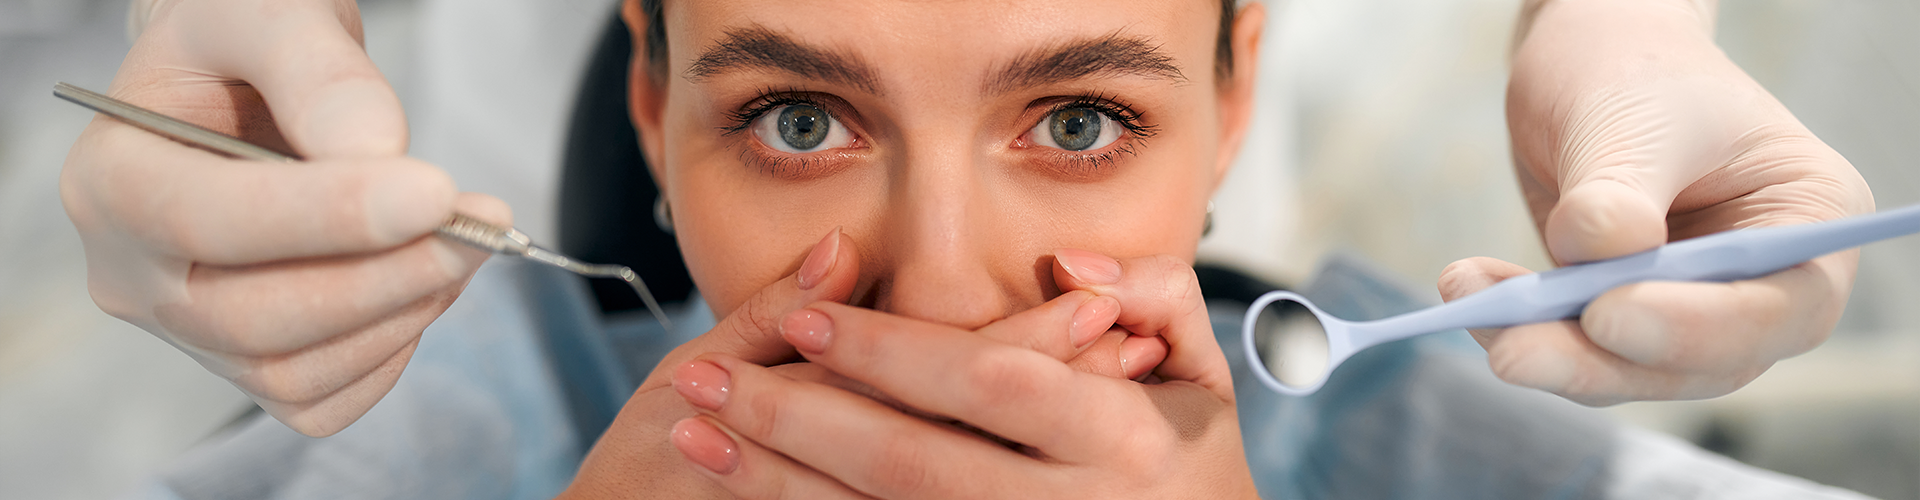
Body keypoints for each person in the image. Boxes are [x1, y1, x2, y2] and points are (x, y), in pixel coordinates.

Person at [63, 0, 1874, 497]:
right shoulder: (463, 428)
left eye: (1080, 122)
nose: (938, 288)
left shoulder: (1405, 436)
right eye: (795, 117)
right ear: (649, 103)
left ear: (1236, 89)